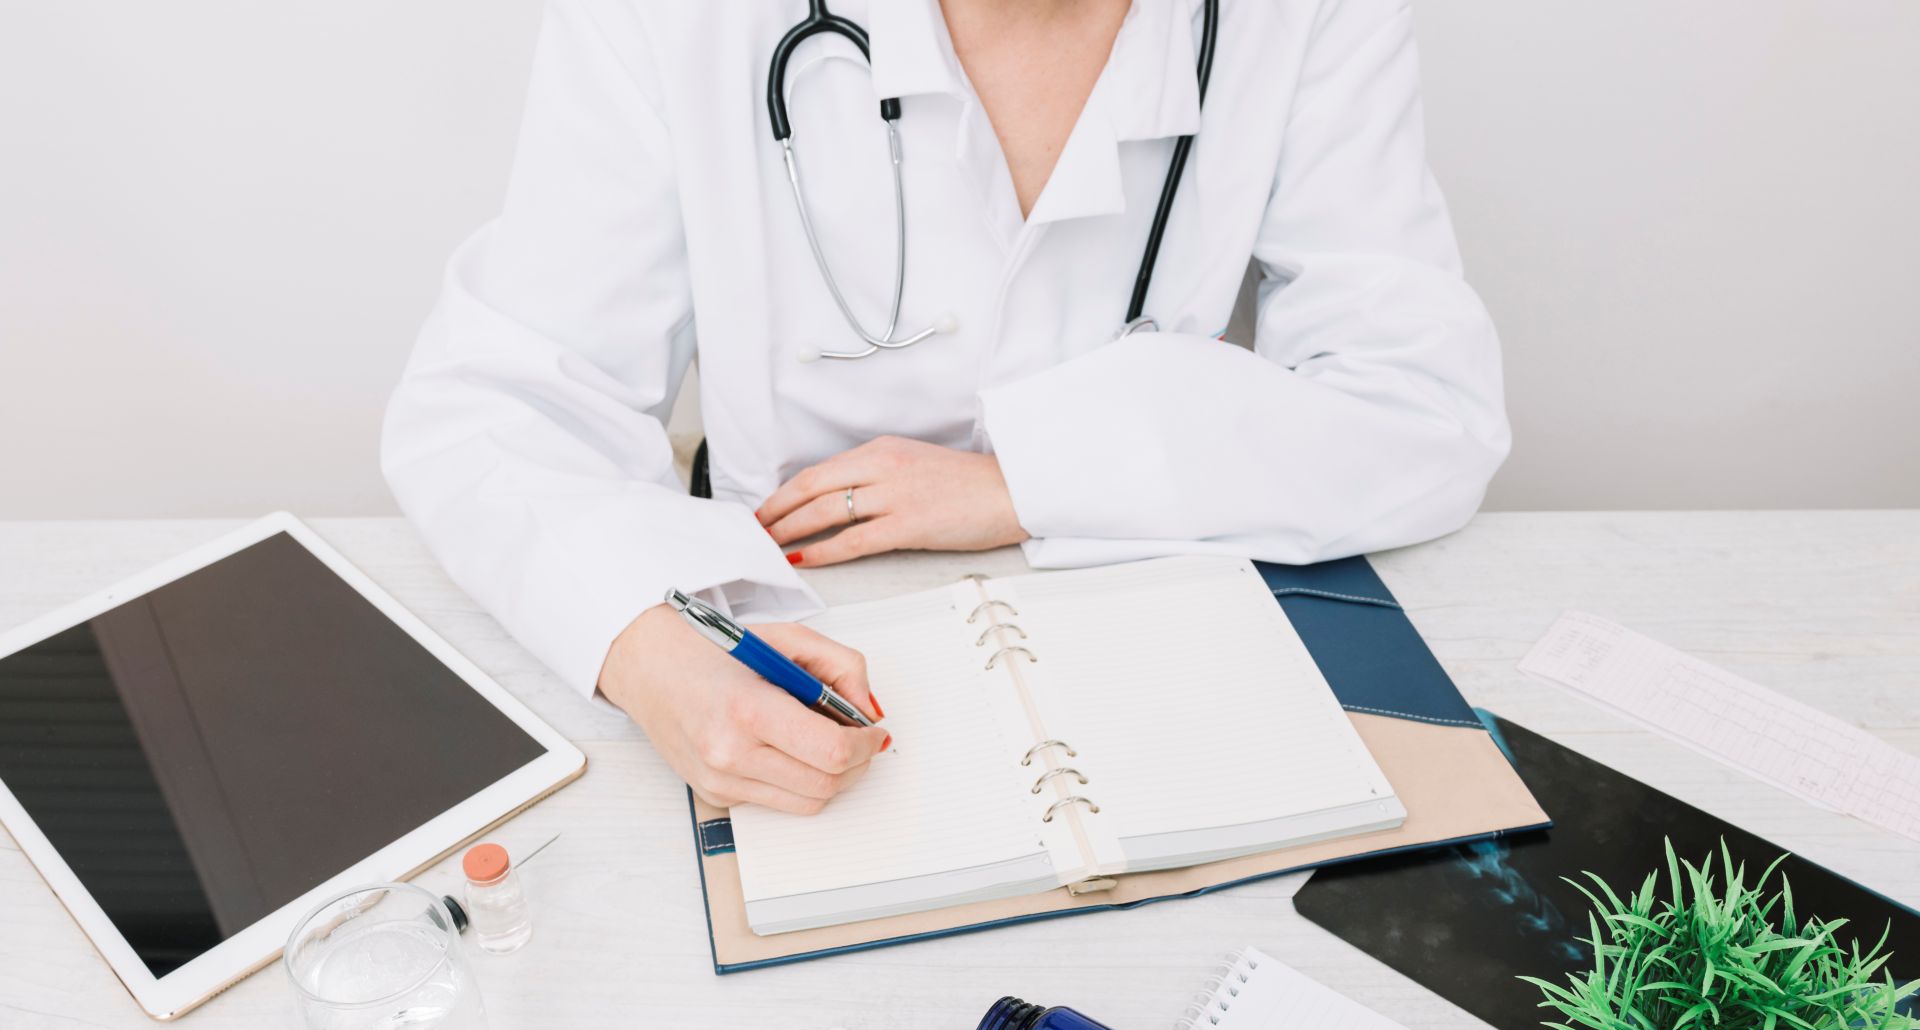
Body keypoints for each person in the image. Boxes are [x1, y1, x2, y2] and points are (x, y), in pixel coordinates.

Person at [383, 0, 1510, 816]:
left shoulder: (1311, 18)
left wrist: (1025, 481)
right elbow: (494, 405)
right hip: (800, 643)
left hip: (1146, 652)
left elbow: (1423, 407)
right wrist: (644, 650)